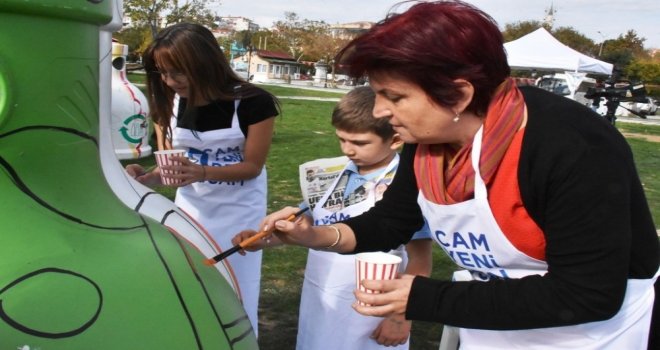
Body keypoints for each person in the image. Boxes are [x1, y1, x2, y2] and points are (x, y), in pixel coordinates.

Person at [234, 1, 659, 349]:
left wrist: (422, 297)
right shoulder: (428, 139)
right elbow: (390, 222)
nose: (380, 111)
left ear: (457, 94)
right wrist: (315, 236)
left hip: (594, 336)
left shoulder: (571, 144)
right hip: (498, 325)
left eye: (394, 96)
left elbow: (588, 294)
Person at [234, 87, 432, 349]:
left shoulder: (405, 187)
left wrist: (399, 317)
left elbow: (421, 259)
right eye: (342, 139)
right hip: (321, 297)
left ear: (396, 140)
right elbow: (309, 229)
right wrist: (265, 240)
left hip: (373, 308)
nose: (348, 150)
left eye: (359, 143)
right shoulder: (330, 176)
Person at [125, 22, 280, 336]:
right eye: (162, 73)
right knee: (192, 286)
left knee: (237, 290)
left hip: (240, 213)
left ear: (203, 64)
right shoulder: (168, 103)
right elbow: (172, 168)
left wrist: (204, 171)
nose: (169, 81)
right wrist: (149, 178)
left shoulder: (254, 103)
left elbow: (252, 166)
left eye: (177, 72)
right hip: (191, 213)